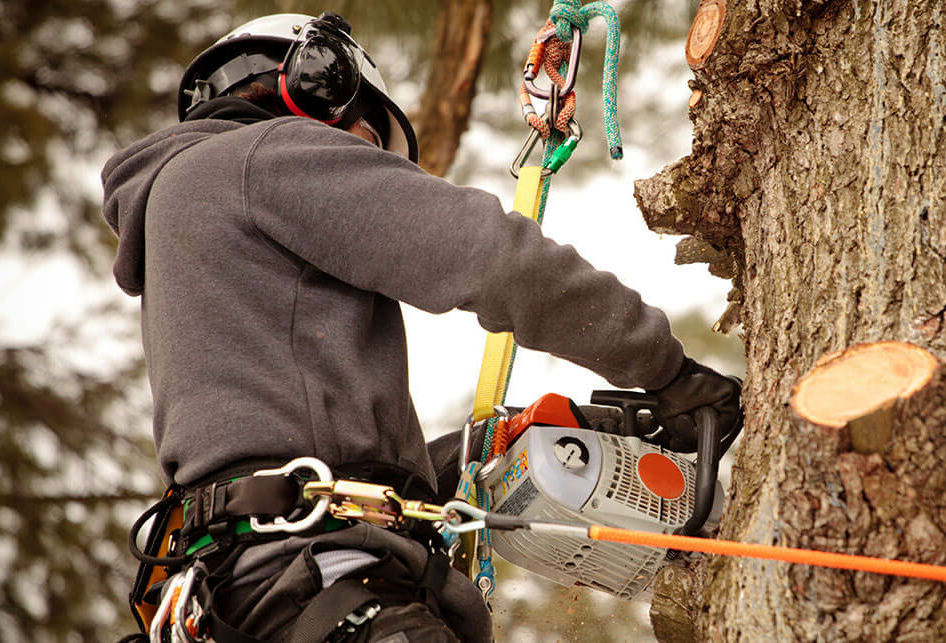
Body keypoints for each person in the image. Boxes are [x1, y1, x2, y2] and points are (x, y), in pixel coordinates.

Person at [102, 12, 742, 643]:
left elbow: (281, 456)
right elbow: (492, 258)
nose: (361, 159)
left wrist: (473, 456)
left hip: (242, 593)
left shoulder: (183, 216)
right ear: (315, 86)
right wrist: (666, 370)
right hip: (319, 576)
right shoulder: (265, 156)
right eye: (364, 140)